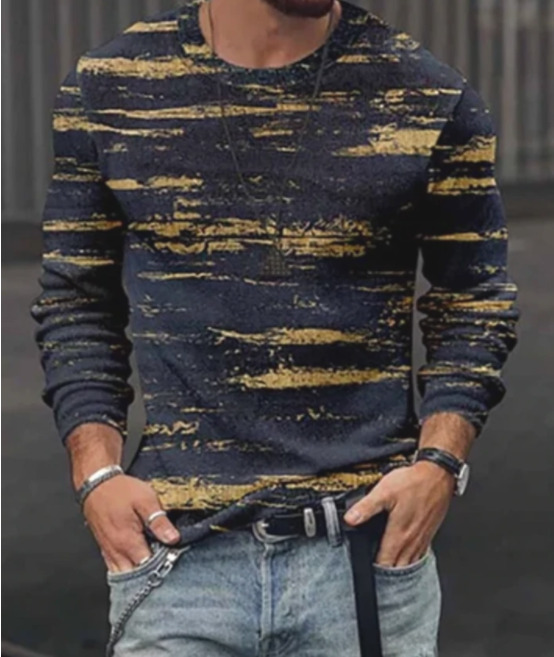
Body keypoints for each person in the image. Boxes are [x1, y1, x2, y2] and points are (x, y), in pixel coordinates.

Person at [30, 0, 519, 655]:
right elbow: (78, 298)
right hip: (178, 561)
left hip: (363, 559)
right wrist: (96, 475)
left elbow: (473, 297)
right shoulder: (111, 88)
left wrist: (440, 462)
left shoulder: (427, 95)